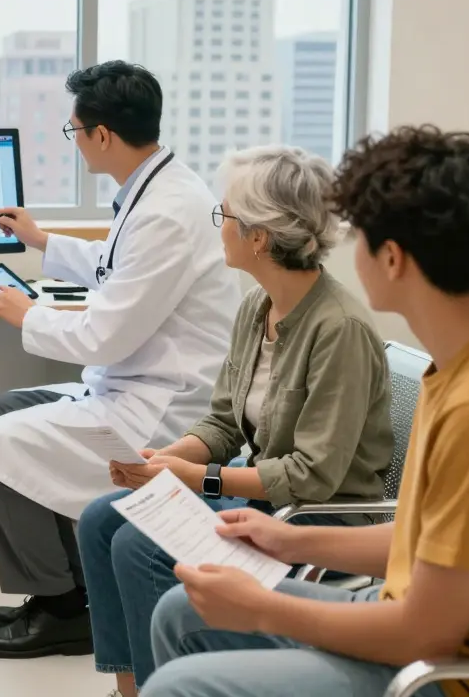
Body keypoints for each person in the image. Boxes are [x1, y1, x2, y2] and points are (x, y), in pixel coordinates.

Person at [143, 126, 469, 697]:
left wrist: (261, 611)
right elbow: (429, 543)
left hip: (450, 678)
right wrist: (290, 541)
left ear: (392, 258)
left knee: (179, 686)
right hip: (408, 619)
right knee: (181, 611)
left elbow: (424, 636)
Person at [75, 145, 393, 697]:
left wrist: (198, 480)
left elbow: (311, 476)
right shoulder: (257, 306)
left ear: (259, 238)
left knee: (139, 546)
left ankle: (161, 688)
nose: (217, 226)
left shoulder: (338, 329)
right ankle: (129, 688)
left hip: (316, 516)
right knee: (103, 517)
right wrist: (168, 459)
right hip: (262, 495)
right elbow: (224, 423)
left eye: (225, 216)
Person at [0, 60, 242, 658]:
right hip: (129, 380)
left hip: (164, 402)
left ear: (103, 135)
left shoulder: (167, 209)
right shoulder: (154, 186)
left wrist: (26, 315)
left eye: (75, 129)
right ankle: (64, 590)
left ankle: (64, 610)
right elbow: (120, 268)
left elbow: (103, 337)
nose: (76, 140)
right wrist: (41, 242)